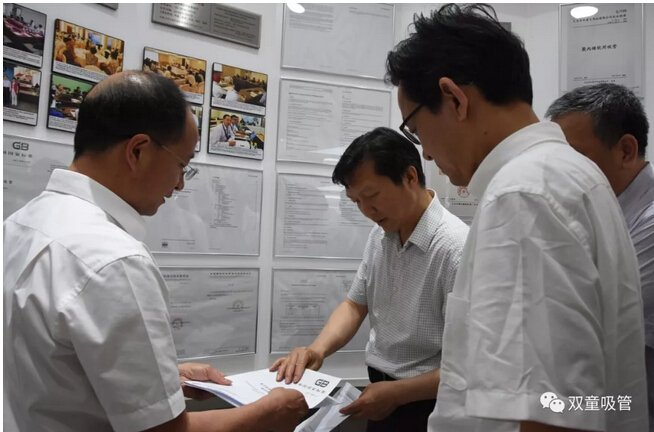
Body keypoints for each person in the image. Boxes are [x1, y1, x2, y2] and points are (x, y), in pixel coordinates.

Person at [385, 4, 647, 432]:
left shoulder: (523, 195)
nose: (425, 153)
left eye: (415, 130)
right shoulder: (569, 175)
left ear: (454, 99)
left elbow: (550, 412)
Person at [3, 71, 308, 432]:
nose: (180, 184)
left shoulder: (19, 224)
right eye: (182, 165)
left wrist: (160, 381)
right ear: (137, 151)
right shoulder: (115, 262)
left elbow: (54, 367)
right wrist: (271, 411)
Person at [271, 127, 469, 432]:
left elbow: (468, 366)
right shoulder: (382, 234)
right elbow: (355, 305)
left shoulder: (456, 248)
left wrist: (398, 394)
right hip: (380, 393)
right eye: (356, 202)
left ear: (409, 177)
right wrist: (316, 350)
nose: (366, 211)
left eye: (372, 196)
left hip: (428, 404)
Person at [546, 83, 654, 430]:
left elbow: (592, 316)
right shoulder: (599, 208)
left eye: (574, 158)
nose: (560, 173)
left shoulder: (649, 222)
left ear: (626, 150)